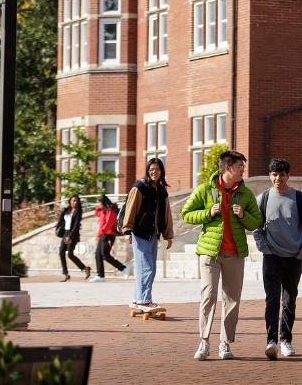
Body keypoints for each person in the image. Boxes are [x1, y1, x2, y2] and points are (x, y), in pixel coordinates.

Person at [181, 150, 261, 361]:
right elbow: (186, 214)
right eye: (239, 167)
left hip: (235, 254)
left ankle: (225, 343)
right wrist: (208, 213)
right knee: (208, 296)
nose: (242, 170)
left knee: (232, 299)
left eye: (243, 167)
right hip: (209, 253)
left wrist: (243, 215)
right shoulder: (205, 189)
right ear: (227, 168)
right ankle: (204, 341)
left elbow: (257, 222)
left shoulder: (246, 194)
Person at [252, 158, 302, 360]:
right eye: (274, 174)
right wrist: (264, 248)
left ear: (288, 175)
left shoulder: (298, 198)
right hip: (271, 257)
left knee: (289, 301)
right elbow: (256, 227)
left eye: (282, 174)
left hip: (294, 258)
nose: (278, 178)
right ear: (270, 176)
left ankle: (286, 340)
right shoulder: (263, 198)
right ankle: (271, 341)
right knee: (271, 301)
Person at [120, 158, 174, 306]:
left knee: (149, 268)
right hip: (140, 233)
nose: (154, 172)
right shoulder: (140, 187)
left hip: (154, 234)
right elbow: (130, 208)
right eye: (151, 169)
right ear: (147, 171)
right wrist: (127, 230)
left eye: (157, 169)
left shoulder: (162, 191)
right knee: (147, 268)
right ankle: (144, 300)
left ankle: (138, 299)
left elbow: (166, 214)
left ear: (162, 171)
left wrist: (168, 235)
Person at [90, 195, 126, 283]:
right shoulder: (104, 211)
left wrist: (100, 234)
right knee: (98, 255)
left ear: (103, 202)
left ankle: (124, 268)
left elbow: (108, 224)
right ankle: (100, 275)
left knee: (105, 255)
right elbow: (97, 214)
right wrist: (98, 208)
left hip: (108, 235)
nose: (98, 204)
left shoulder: (110, 211)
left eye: (99, 202)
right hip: (103, 235)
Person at [56, 194, 90, 281]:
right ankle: (66, 274)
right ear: (70, 201)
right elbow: (60, 220)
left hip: (73, 235)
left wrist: (70, 236)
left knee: (70, 254)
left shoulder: (78, 211)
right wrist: (58, 227)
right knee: (61, 252)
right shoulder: (66, 210)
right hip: (65, 233)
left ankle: (85, 268)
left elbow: (76, 225)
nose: (75, 202)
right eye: (73, 200)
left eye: (76, 201)